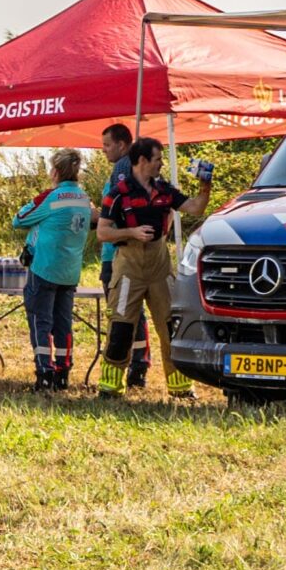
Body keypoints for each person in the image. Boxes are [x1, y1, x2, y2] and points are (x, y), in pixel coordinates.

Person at [97, 139, 212, 400]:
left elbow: (196, 208)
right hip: (128, 268)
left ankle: (181, 388)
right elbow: (102, 233)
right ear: (142, 161)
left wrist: (205, 186)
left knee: (171, 327)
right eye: (157, 159)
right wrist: (132, 232)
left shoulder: (165, 190)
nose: (161, 163)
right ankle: (110, 388)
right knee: (121, 328)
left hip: (160, 267)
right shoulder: (118, 193)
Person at [11, 147, 96, 389]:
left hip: (45, 268)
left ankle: (44, 372)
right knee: (63, 324)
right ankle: (63, 371)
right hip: (70, 270)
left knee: (41, 322)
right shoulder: (83, 198)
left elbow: (19, 220)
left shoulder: (51, 197)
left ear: (55, 172)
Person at [98, 122, 152, 389]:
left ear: (121, 144)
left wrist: (103, 220)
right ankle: (138, 364)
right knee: (130, 313)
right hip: (122, 253)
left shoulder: (123, 169)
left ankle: (134, 366)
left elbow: (119, 213)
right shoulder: (133, 171)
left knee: (125, 314)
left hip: (119, 254)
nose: (104, 150)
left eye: (107, 145)